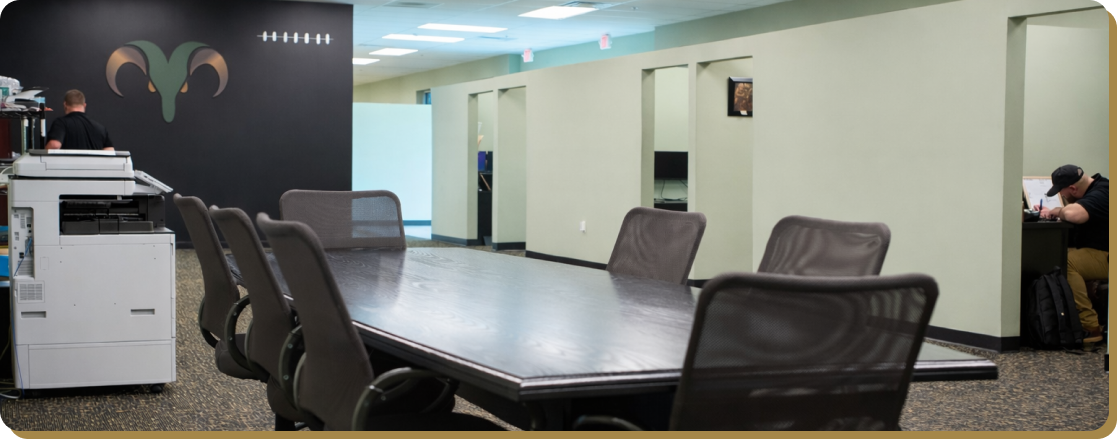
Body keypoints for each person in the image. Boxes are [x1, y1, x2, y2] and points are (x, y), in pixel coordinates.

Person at [1034, 164, 1109, 343]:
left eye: (1063, 192)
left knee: (1064, 260)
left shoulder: (1102, 193)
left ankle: (1090, 327)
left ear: (1073, 188)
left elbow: (1076, 215)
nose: (1062, 195)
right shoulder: (1097, 188)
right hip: (1100, 251)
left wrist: (1057, 212)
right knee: (1060, 253)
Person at [44, 89, 114, 151]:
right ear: (84, 105)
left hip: (68, 165)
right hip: (93, 165)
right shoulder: (100, 128)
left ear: (65, 104)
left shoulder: (61, 123)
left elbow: (54, 145)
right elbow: (110, 150)